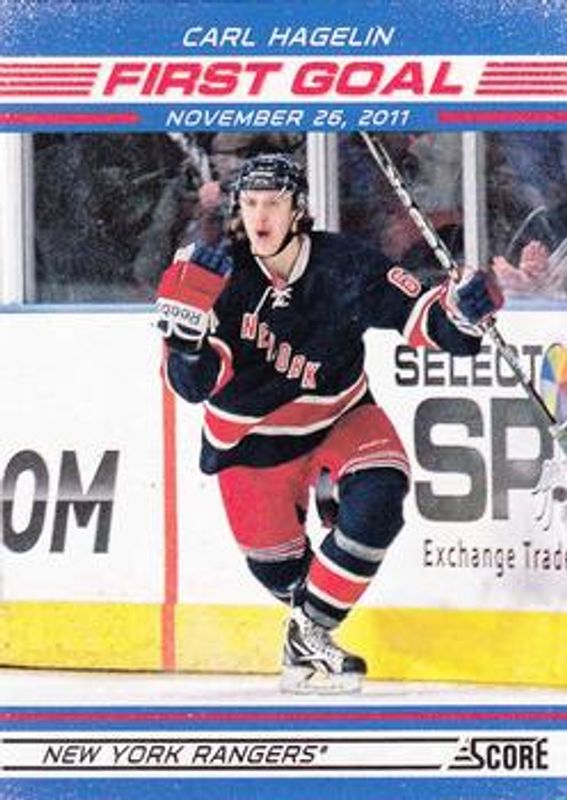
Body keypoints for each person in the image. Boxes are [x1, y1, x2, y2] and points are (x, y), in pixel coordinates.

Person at [156, 153, 503, 693]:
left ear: (298, 209)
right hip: (250, 444)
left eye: (273, 204)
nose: (260, 216)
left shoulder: (345, 264)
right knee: (283, 576)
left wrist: (463, 311)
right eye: (250, 204)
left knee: (380, 498)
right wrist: (185, 343)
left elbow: (427, 322)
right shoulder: (219, 276)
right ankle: (308, 632)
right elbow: (193, 386)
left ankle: (307, 636)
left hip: (341, 415)